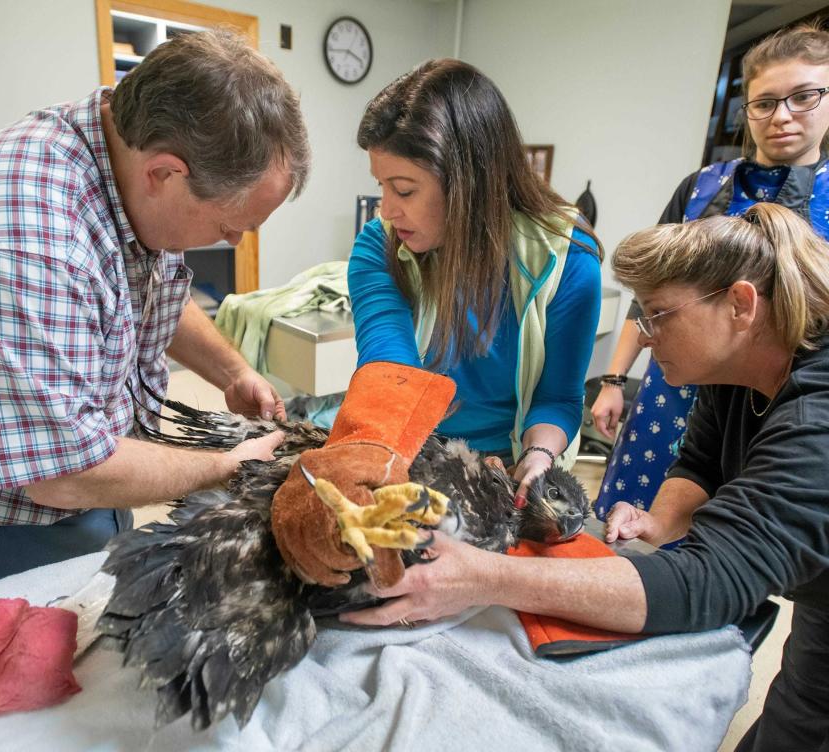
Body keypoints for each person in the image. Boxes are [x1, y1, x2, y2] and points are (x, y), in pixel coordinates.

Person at [344, 202, 829, 751]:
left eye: (659, 316)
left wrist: (482, 576)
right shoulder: (738, 365)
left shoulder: (817, 422)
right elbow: (701, 461)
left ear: (740, 304)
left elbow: (709, 583)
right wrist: (662, 518)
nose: (644, 337)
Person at [0, 29, 309, 600]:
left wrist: (231, 371)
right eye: (228, 226)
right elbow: (63, 475)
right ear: (165, 173)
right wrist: (227, 467)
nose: (230, 241)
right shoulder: (27, 235)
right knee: (33, 681)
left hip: (89, 476)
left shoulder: (129, 154)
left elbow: (151, 291)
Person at [269, 59, 602, 590]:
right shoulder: (379, 248)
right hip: (409, 450)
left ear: (471, 183)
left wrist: (538, 457)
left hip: (508, 468)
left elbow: (558, 396)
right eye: (382, 187)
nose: (388, 209)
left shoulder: (566, 257)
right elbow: (389, 372)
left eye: (404, 189)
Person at [592, 23, 829, 524]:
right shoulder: (701, 188)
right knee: (641, 517)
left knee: (746, 533)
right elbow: (648, 295)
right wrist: (613, 378)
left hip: (778, 398)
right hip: (676, 384)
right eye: (764, 102)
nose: (781, 116)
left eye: (803, 97)